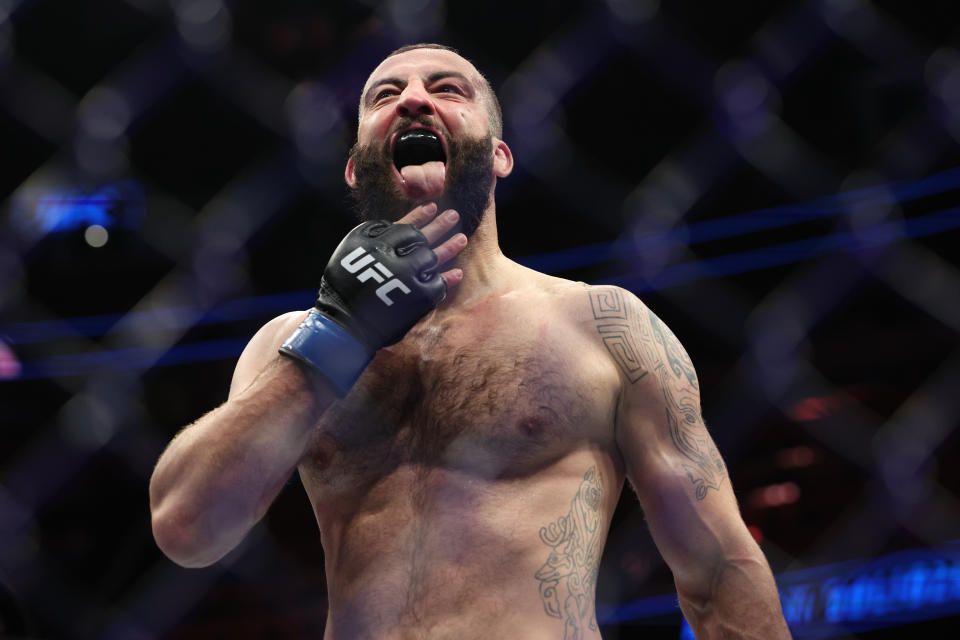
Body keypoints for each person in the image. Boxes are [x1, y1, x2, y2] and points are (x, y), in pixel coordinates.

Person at [149, 43, 791, 639]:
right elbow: (187, 528)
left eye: (448, 89)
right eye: (384, 95)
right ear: (353, 167)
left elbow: (716, 570)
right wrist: (338, 335)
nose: (414, 100)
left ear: (501, 154)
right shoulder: (289, 342)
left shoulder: (600, 323)